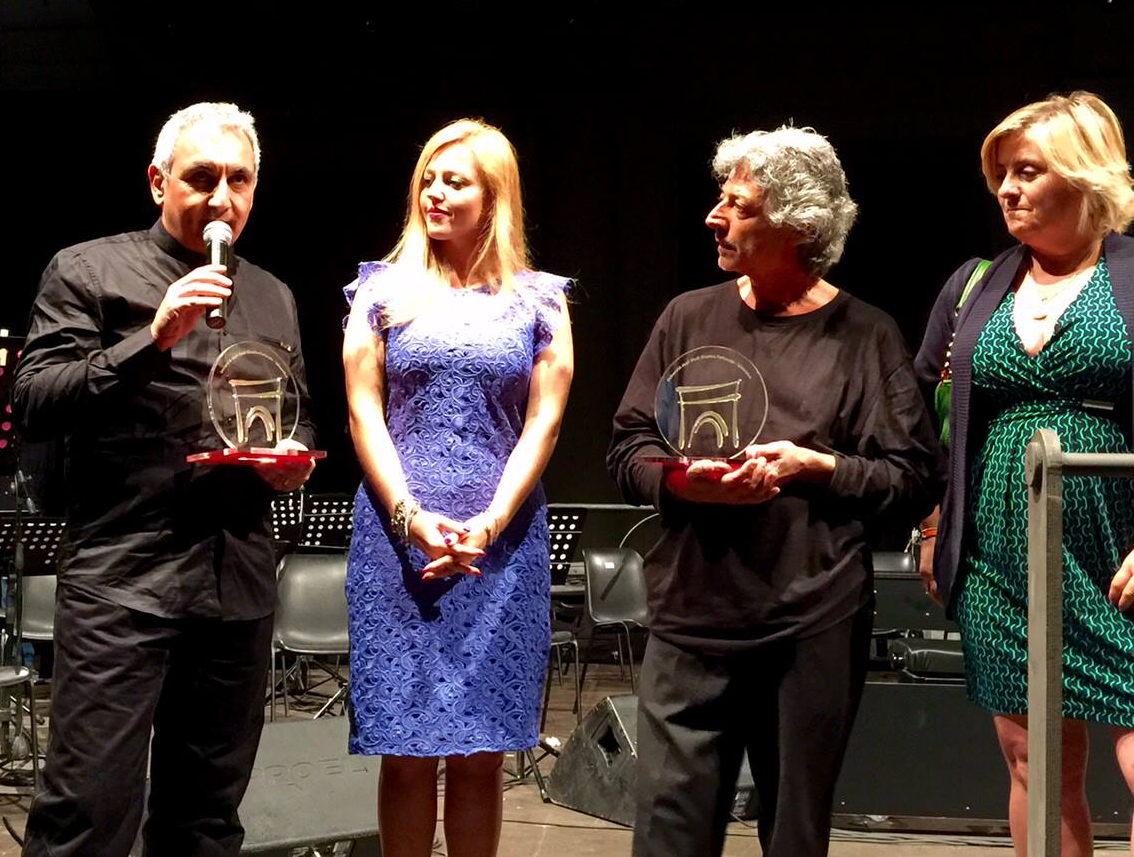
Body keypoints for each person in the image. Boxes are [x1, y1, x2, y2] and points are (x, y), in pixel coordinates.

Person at [607, 126, 940, 857]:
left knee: (793, 838)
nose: (714, 217)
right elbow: (628, 449)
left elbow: (913, 477)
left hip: (808, 623)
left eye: (741, 206)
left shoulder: (865, 336)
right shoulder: (686, 317)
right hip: (691, 618)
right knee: (666, 837)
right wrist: (686, 484)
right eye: (720, 199)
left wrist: (815, 467)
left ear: (800, 226)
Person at [14, 102, 316, 856]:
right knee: (86, 815)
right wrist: (152, 337)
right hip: (124, 583)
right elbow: (36, 399)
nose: (222, 198)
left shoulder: (273, 295)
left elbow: (299, 416)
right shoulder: (88, 270)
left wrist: (293, 457)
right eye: (202, 178)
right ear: (158, 181)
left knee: (207, 822)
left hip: (237, 586)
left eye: (239, 181)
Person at [342, 118, 573, 857]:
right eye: (428, 181)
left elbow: (544, 423)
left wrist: (491, 521)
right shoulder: (380, 291)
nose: (435, 194)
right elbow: (363, 412)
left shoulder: (540, 301)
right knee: (405, 753)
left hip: (499, 550)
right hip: (397, 545)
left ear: (494, 197)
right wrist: (410, 517)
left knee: (481, 755)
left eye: (455, 182)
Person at [915, 92, 1134, 856]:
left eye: (1028, 171)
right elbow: (927, 413)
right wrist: (935, 525)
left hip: (1117, 547)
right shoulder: (976, 285)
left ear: (1084, 173)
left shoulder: (1132, 276)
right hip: (1002, 553)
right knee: (1034, 761)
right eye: (1002, 174)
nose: (1007, 189)